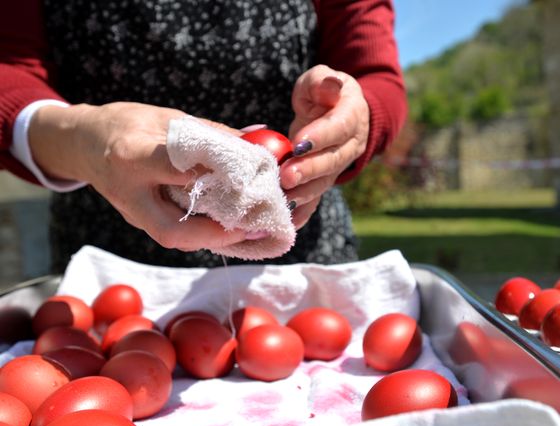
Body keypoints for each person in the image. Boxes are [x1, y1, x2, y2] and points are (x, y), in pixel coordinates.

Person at [0, 0, 407, 272]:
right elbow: (11, 70)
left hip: (297, 252)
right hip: (110, 260)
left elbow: (375, 75)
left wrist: (352, 121)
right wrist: (85, 138)